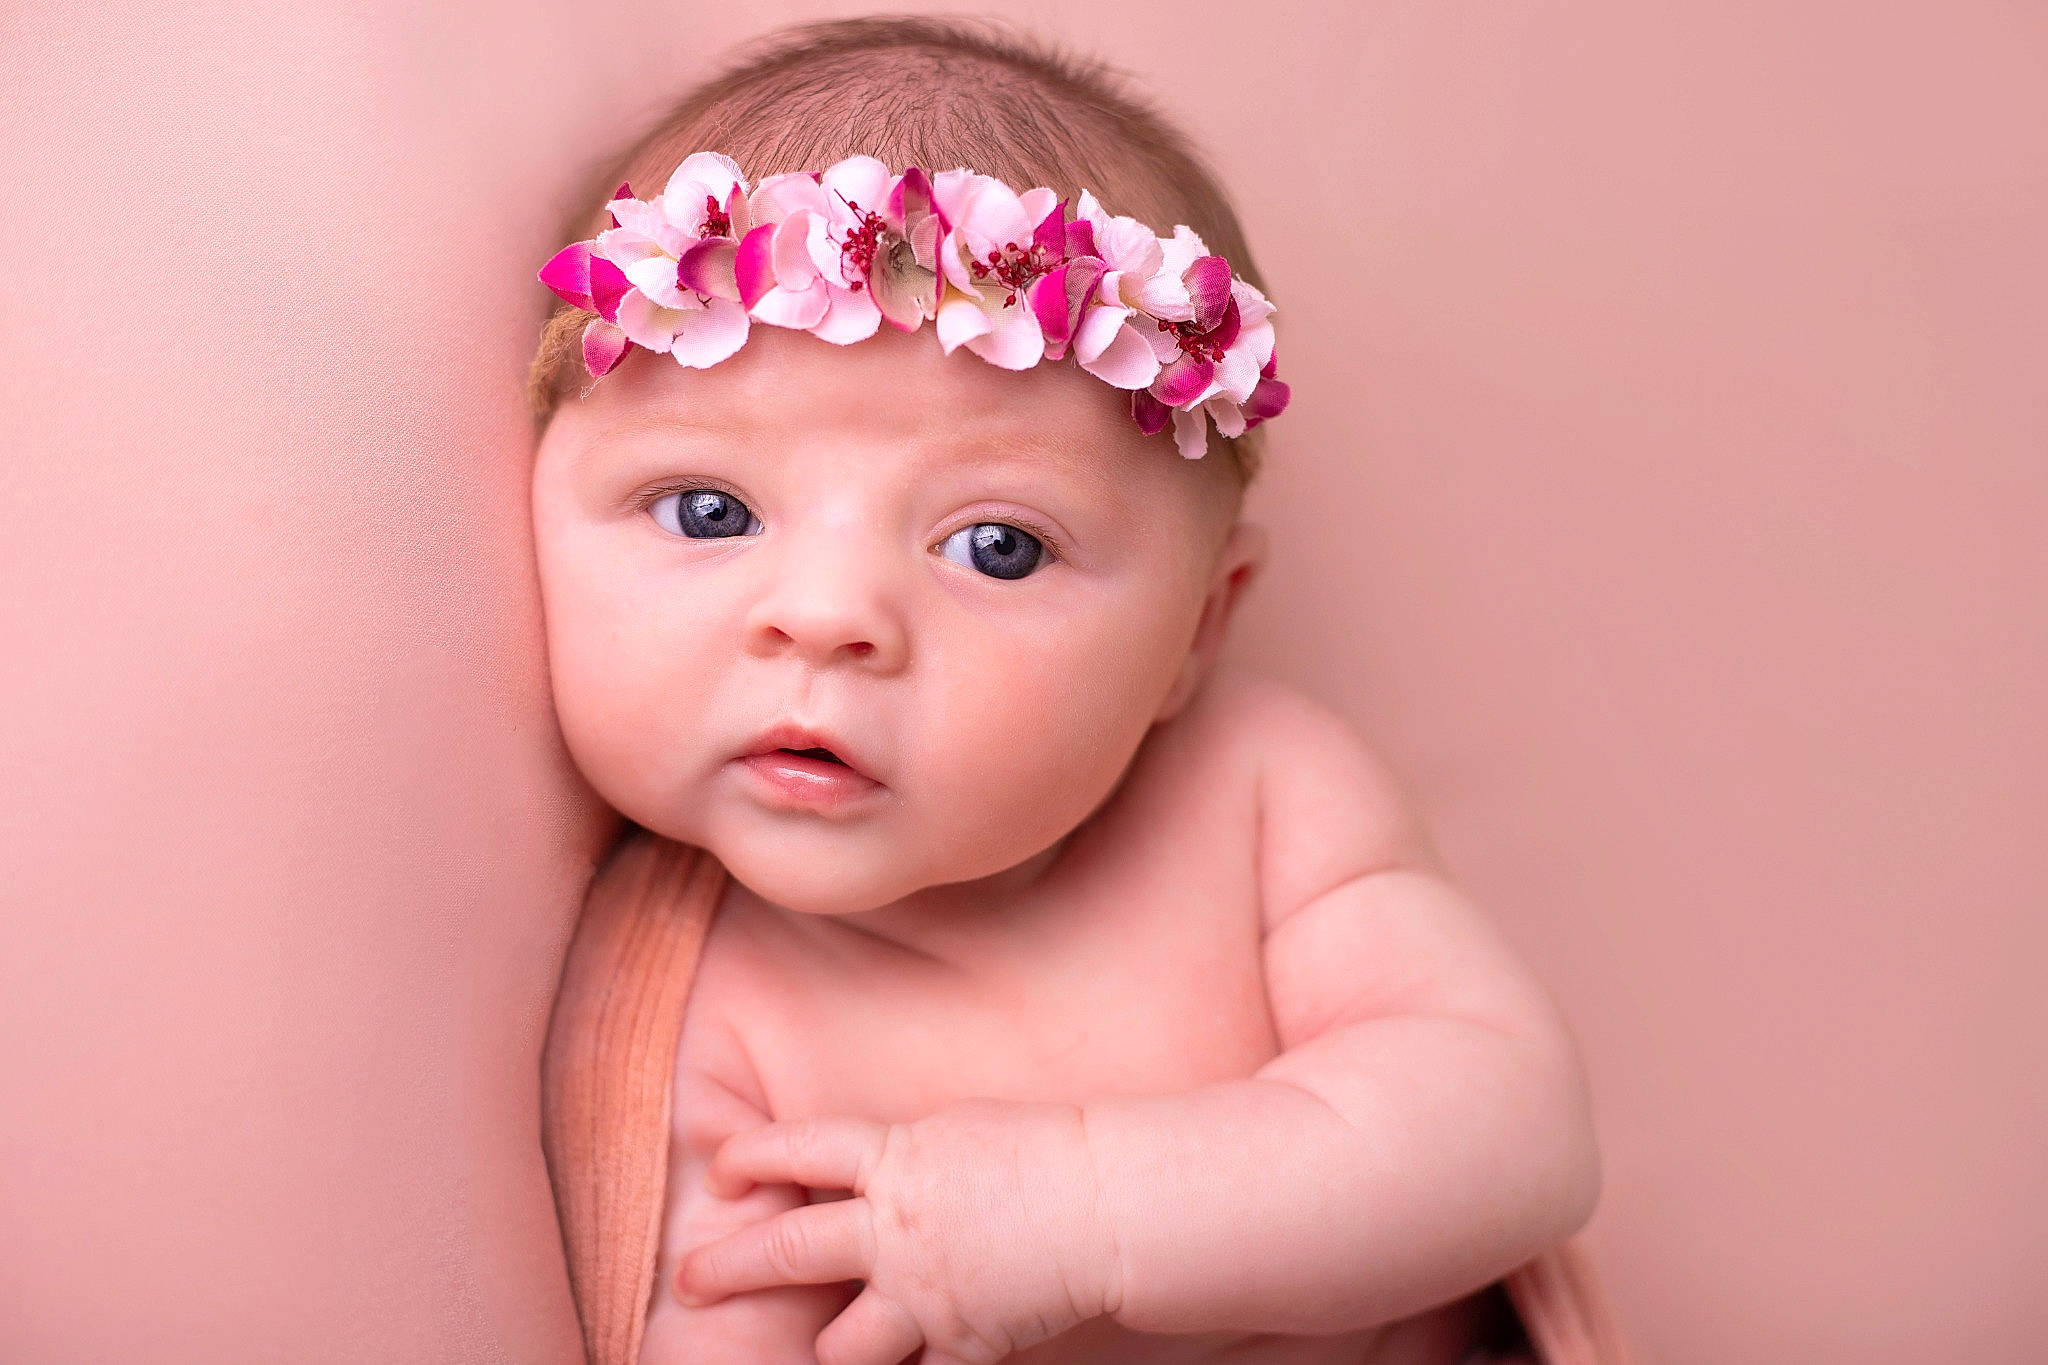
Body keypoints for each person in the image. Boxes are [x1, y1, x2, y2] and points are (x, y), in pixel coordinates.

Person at [526, 16, 1600, 1365]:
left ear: (1197, 634)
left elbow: (1515, 1131)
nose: (829, 616)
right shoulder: (691, 1015)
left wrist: (1090, 1212)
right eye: (705, 508)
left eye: (1000, 545)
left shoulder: (1260, 797)